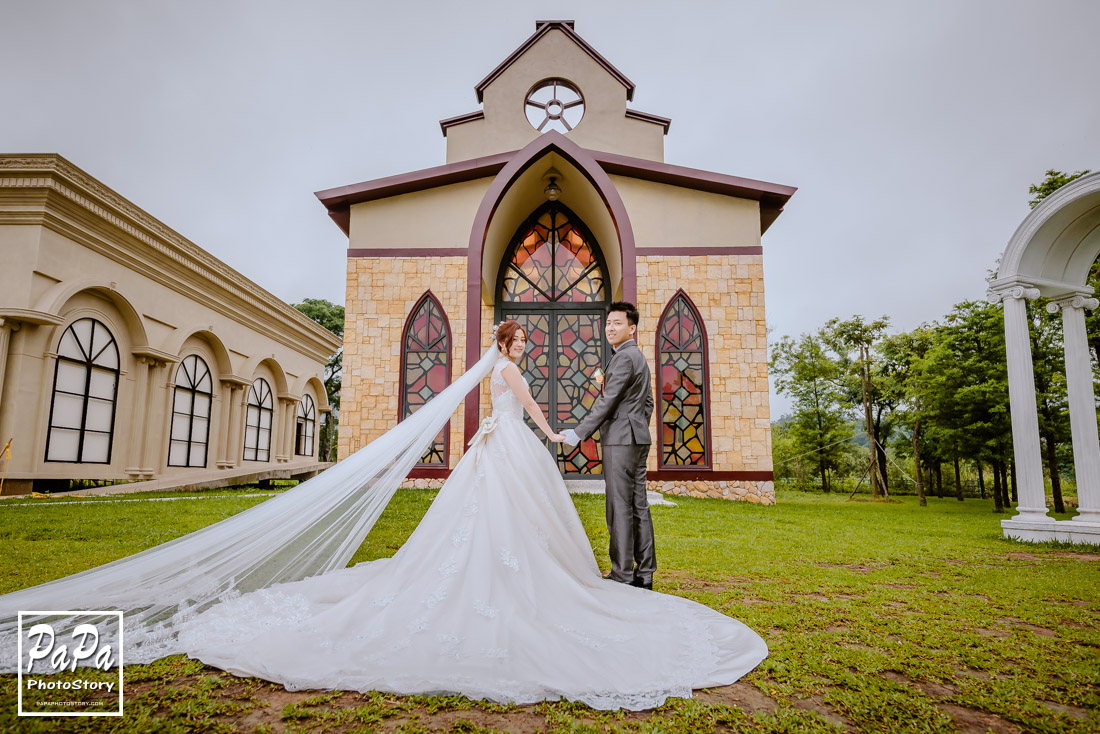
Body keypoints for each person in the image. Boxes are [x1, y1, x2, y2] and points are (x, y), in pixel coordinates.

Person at [1, 321, 767, 710]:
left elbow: (503, 418)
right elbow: (536, 415)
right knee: (510, 533)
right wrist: (561, 434)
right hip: (513, 454)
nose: (529, 344)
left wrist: (547, 431)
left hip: (489, 456)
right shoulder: (511, 372)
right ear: (510, 343)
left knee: (477, 533)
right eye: (524, 338)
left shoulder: (490, 371)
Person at [562, 301, 656, 590]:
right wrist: (636, 424)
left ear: (632, 328)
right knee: (638, 504)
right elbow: (648, 402)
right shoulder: (637, 357)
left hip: (620, 440)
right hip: (637, 439)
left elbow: (608, 401)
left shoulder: (624, 358)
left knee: (619, 506)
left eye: (618, 323)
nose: (611, 328)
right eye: (609, 323)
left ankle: (622, 574)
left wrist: (580, 432)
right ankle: (645, 573)